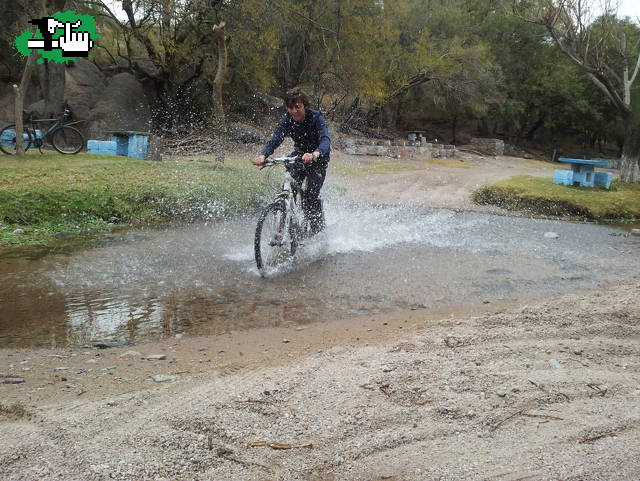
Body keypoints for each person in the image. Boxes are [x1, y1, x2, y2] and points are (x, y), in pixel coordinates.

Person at [253, 87, 331, 235]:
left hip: (318, 158)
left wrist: (315, 153)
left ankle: (316, 231)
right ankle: (284, 223)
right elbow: (275, 139)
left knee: (310, 198)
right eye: (290, 107)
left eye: (297, 107)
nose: (294, 111)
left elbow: (325, 140)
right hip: (299, 157)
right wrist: (263, 155)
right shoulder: (287, 120)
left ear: (305, 106)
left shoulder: (316, 117)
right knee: (287, 189)